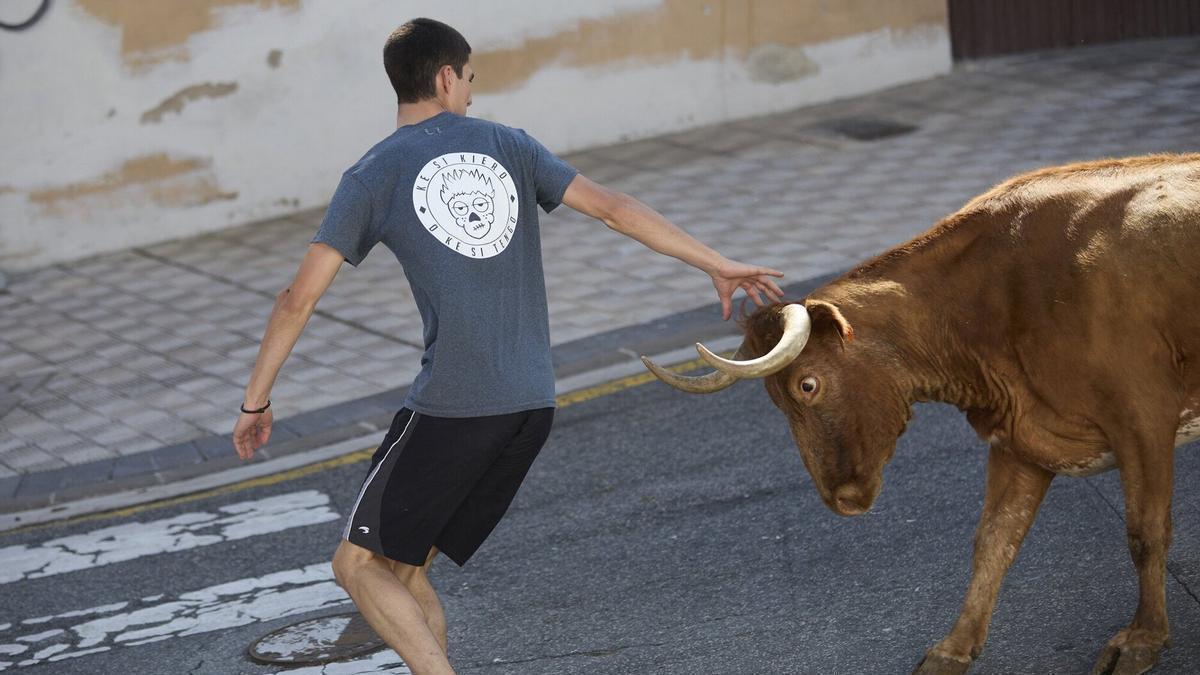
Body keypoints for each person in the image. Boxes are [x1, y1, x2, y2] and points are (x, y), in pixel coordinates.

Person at [232, 17, 785, 675]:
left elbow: (298, 297)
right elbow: (611, 206)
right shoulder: (509, 144)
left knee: (355, 564)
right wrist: (715, 262)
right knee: (403, 572)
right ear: (446, 76)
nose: (469, 93)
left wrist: (255, 401)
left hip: (455, 405)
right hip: (531, 402)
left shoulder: (373, 174)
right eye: (468, 80)